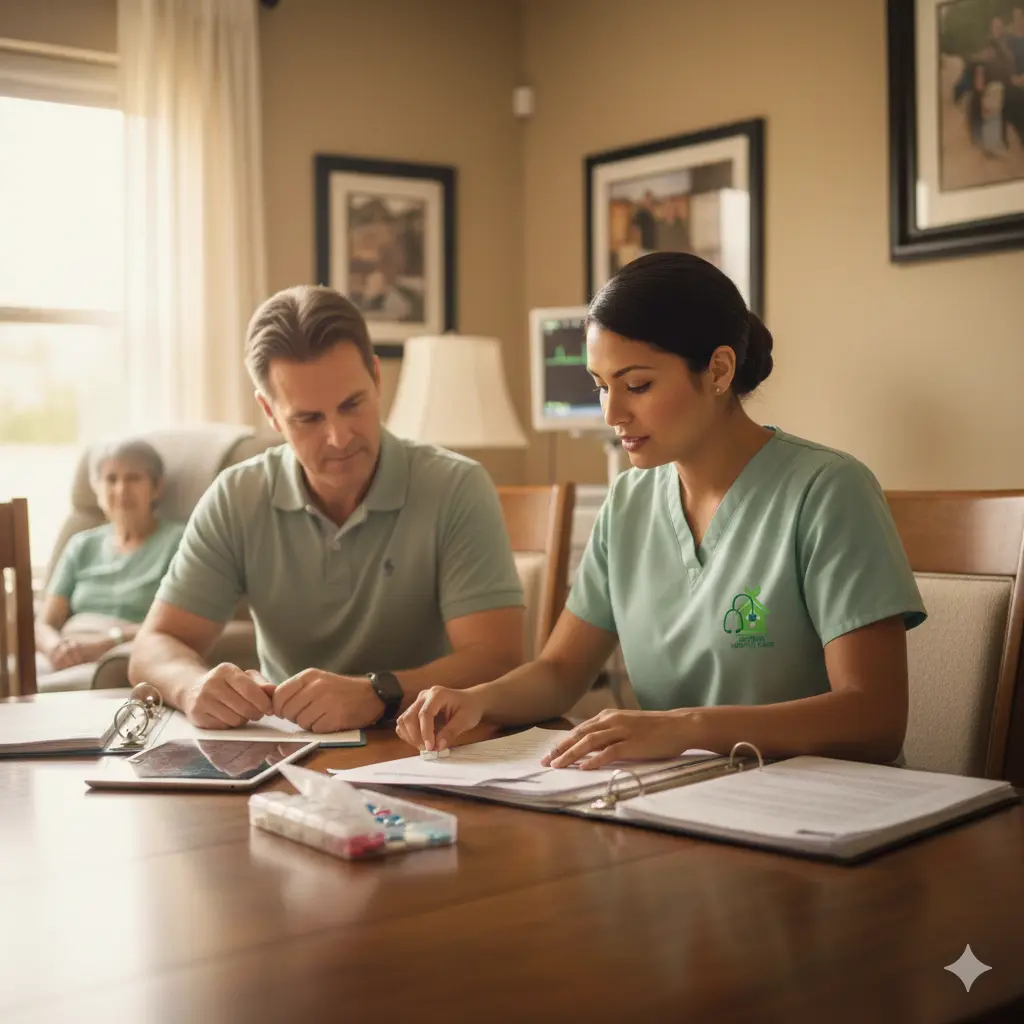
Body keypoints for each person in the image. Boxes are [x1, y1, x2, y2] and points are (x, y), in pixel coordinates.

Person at [397, 252, 927, 769]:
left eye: (637, 385)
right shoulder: (628, 503)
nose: (612, 412)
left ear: (719, 370)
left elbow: (875, 719)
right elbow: (560, 672)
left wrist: (686, 728)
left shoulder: (828, 491)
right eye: (601, 387)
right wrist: (478, 700)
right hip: (678, 808)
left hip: (823, 813)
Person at [128, 285, 525, 732]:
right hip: (286, 755)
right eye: (308, 419)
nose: (339, 437)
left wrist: (378, 694)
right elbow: (153, 645)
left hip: (426, 748)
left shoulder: (456, 486)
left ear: (376, 377)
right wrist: (191, 686)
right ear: (271, 414)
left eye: (352, 404)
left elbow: (500, 661)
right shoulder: (237, 495)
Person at [35, 439, 185, 677]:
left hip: (124, 652)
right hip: (67, 654)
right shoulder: (81, 544)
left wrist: (104, 644)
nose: (121, 490)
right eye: (111, 479)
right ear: (97, 490)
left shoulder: (180, 541)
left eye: (133, 478)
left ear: (157, 487)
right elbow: (44, 623)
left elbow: (180, 623)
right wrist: (55, 648)